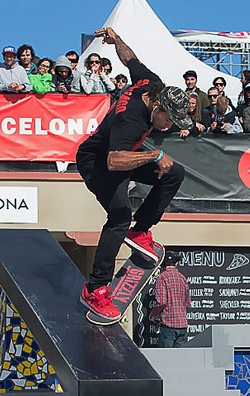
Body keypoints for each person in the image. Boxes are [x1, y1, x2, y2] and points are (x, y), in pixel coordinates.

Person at [75, 27, 191, 321]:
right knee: (118, 216)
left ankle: (140, 232)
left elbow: (131, 59)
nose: (168, 127)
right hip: (98, 162)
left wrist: (116, 40)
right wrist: (154, 154)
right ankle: (96, 288)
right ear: (157, 105)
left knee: (175, 172)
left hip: (122, 156)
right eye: (167, 120)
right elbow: (114, 162)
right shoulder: (131, 121)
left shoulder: (151, 83)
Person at [153, 251, 191, 348]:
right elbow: (188, 301)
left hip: (168, 324)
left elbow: (161, 302)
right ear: (176, 263)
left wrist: (154, 314)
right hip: (182, 324)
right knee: (180, 359)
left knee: (166, 358)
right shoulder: (182, 278)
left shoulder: (161, 278)